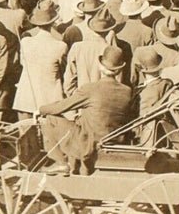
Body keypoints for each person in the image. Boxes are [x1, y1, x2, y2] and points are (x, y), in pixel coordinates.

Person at [37, 46, 134, 174]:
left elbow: (61, 107)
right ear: (119, 70)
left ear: (100, 66)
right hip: (114, 138)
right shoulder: (127, 91)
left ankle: (60, 163)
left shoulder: (91, 89)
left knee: (50, 119)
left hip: (89, 142)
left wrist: (40, 110)